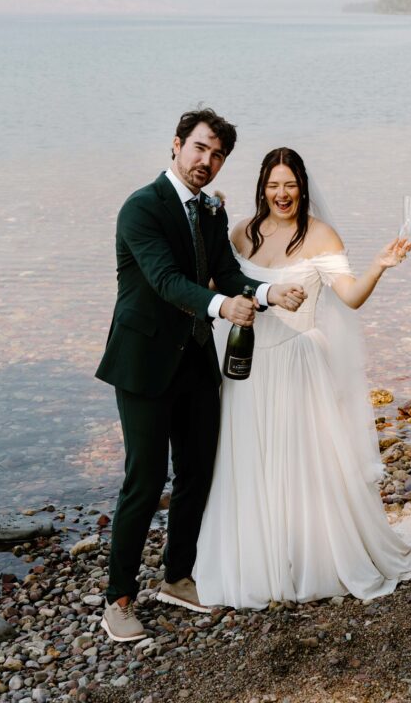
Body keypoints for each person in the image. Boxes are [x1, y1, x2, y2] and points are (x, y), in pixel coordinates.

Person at [194, 147, 411, 609]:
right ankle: (257, 555)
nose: (281, 194)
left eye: (290, 185)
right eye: (273, 185)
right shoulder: (242, 232)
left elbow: (351, 298)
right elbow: (219, 285)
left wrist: (378, 266)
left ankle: (306, 556)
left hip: (295, 363)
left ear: (302, 187)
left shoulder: (321, 237)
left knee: (299, 463)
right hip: (244, 365)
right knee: (247, 458)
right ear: (262, 187)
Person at [95, 112, 307, 642]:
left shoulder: (212, 211)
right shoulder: (141, 208)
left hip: (194, 361)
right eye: (199, 149)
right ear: (176, 145)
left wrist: (266, 294)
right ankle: (118, 600)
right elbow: (166, 281)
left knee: (197, 473)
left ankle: (177, 576)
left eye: (216, 156)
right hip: (143, 363)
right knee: (144, 481)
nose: (205, 162)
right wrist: (221, 308)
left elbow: (228, 274)